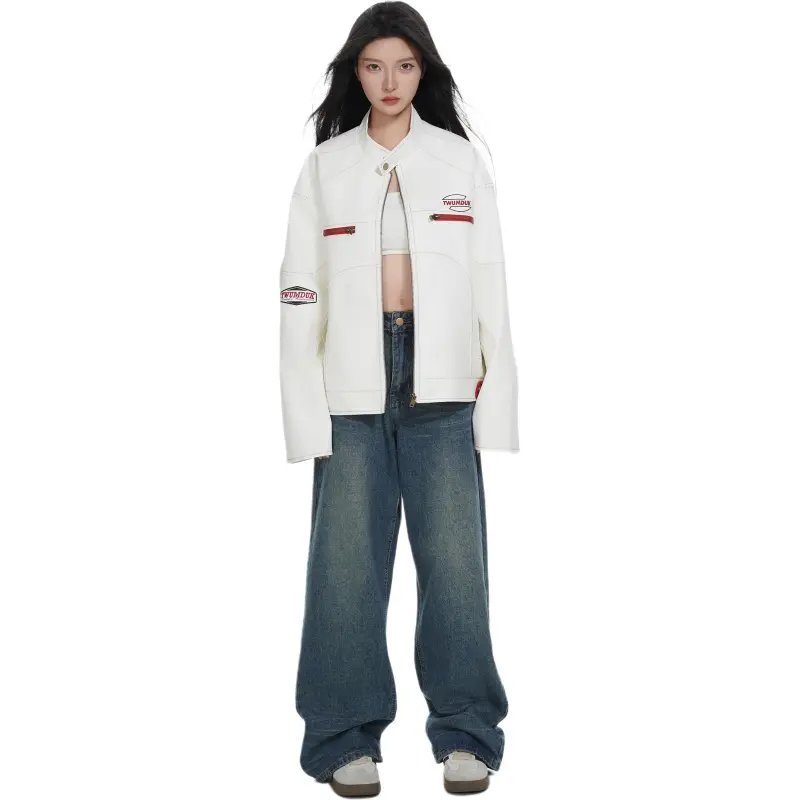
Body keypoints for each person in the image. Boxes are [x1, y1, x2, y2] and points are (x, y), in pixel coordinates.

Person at [278, 2, 519, 794]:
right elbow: (299, 289)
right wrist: (303, 410)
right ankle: (343, 737)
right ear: (356, 72)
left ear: (425, 72)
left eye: (405, 66)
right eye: (375, 66)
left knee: (456, 568)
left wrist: (497, 397)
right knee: (345, 567)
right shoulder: (325, 167)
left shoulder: (458, 161)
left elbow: (490, 282)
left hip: (443, 379)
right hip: (349, 381)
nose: (390, 81)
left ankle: (467, 733)